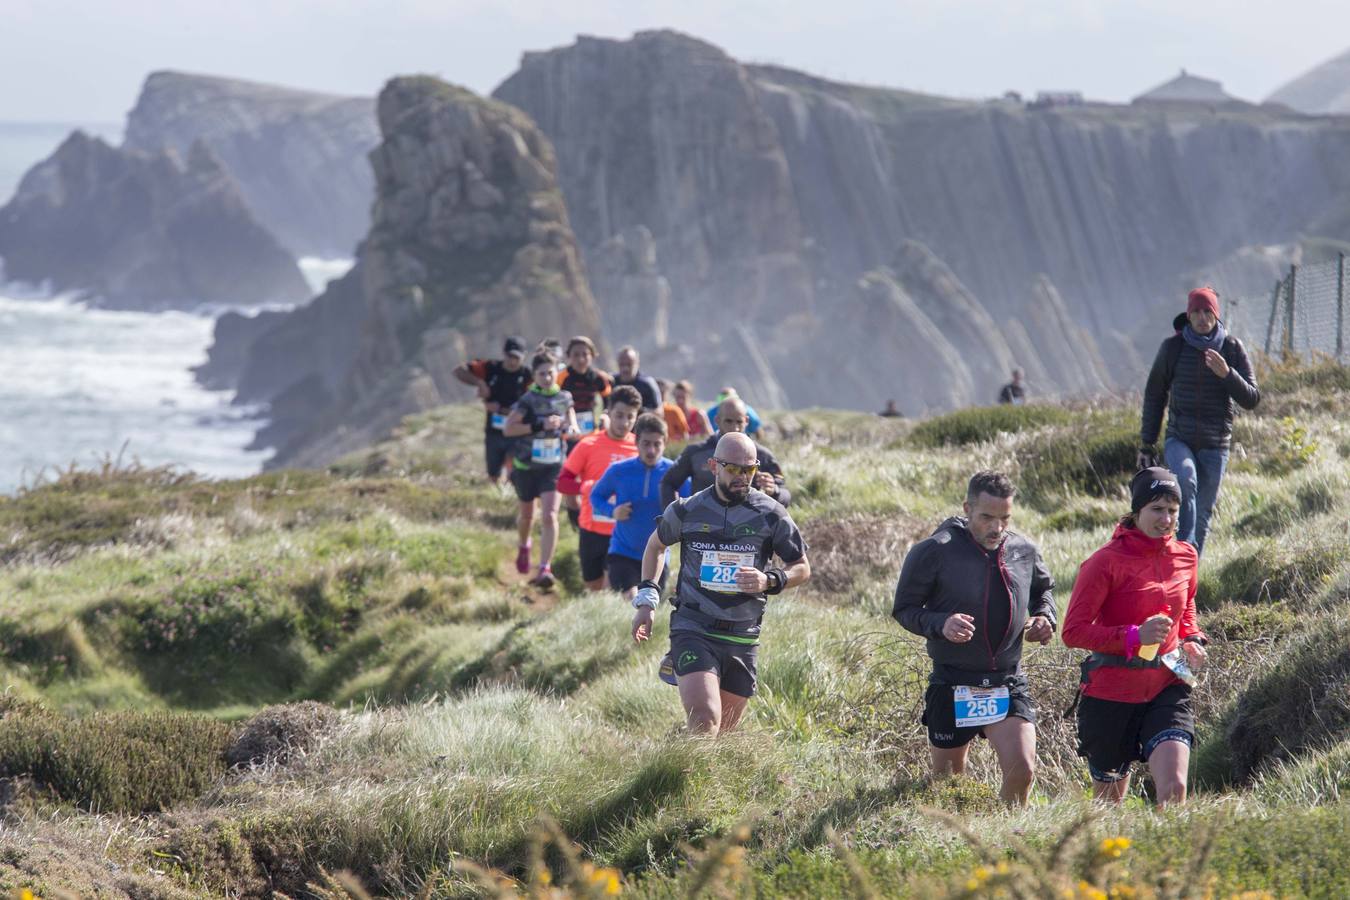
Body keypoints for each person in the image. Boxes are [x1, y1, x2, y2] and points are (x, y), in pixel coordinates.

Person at [891, 470, 1056, 806]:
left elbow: (1043, 592)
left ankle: (1009, 844)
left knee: (1022, 771)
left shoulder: (1024, 550)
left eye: (1005, 518)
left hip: (1006, 681)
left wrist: (1045, 617)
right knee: (948, 787)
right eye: (986, 517)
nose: (997, 527)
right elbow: (904, 609)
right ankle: (960, 844)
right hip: (954, 681)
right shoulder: (933, 551)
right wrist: (941, 624)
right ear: (967, 508)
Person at [631, 432, 811, 735]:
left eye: (749, 470)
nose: (742, 477)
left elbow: (802, 567)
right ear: (714, 466)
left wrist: (769, 579)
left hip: (742, 635)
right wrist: (648, 598)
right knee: (705, 719)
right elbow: (655, 546)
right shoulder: (687, 509)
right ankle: (678, 775)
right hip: (694, 627)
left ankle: (680, 763)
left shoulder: (771, 514)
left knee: (723, 733)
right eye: (734, 469)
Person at [1061, 467, 1208, 807]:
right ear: (1137, 510)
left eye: (1173, 510)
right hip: (1111, 695)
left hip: (1167, 685)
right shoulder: (1104, 563)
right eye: (1157, 509)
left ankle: (1172, 860)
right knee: (1109, 806)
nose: (1166, 518)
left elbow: (1186, 607)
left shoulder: (1186, 555)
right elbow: (1072, 632)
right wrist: (1133, 636)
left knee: (1174, 789)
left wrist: (1192, 638)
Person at [1139, 286, 1260, 555]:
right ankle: (1184, 551)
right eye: (1196, 312)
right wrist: (1147, 443)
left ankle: (1189, 572)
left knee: (1203, 511)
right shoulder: (1173, 348)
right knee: (1185, 481)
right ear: (1188, 315)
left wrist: (1227, 374)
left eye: (1208, 311)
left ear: (1216, 316)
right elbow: (1155, 394)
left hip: (1215, 444)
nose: (1202, 317)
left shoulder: (1231, 347)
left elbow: (1252, 398)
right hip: (1178, 438)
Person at [502, 352, 577, 588]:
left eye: (550, 372)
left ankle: (545, 567)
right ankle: (524, 545)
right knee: (527, 516)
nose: (546, 377)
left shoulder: (565, 397)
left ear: (557, 373)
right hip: (526, 467)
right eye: (541, 373)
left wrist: (570, 425)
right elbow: (508, 429)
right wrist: (538, 425)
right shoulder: (528, 400)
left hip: (553, 466)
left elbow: (572, 421)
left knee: (549, 515)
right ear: (534, 376)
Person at [590, 412, 684, 599]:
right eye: (646, 443)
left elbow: (694, 502)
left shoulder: (674, 473)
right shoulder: (619, 471)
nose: (651, 450)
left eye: (657, 444)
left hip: (658, 554)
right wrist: (612, 511)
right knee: (631, 598)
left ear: (665, 443)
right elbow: (596, 496)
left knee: (648, 606)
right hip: (623, 551)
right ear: (636, 443)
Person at [556, 385, 641, 591]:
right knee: (594, 588)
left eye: (630, 417)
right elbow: (562, 482)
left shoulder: (639, 447)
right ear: (608, 413)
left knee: (615, 589)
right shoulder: (588, 445)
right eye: (619, 415)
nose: (624, 422)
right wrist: (587, 487)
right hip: (591, 529)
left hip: (623, 532)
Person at [661, 398, 790, 509]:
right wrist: (676, 518)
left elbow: (786, 497)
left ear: (746, 421)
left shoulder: (762, 455)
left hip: (746, 531)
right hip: (703, 530)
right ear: (717, 420)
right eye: (728, 421)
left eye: (739, 422)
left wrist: (774, 491)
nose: (735, 427)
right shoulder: (696, 452)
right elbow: (668, 483)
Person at [452, 337, 531, 484]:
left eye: (517, 358)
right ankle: (497, 495)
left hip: (516, 432)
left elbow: (534, 403)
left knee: (515, 471)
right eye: (510, 356)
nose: (513, 361)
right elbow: (458, 371)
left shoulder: (527, 375)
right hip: (494, 432)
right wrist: (480, 383)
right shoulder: (490, 368)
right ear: (504, 353)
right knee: (493, 474)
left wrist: (503, 410)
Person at [558, 335, 613, 449]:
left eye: (585, 354)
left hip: (591, 432)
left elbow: (609, 399)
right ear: (569, 356)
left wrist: (605, 414)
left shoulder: (599, 377)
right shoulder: (561, 378)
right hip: (568, 433)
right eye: (576, 355)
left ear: (592, 356)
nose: (581, 359)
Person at [613, 346, 662, 413]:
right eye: (622, 364)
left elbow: (658, 412)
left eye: (629, 364)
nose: (625, 368)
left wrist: (635, 410)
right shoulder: (611, 382)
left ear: (637, 363)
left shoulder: (647, 384)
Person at [658, 378, 690, 443]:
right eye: (658, 392)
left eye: (663, 392)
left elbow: (685, 435)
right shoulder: (647, 411)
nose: (660, 395)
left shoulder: (674, 411)